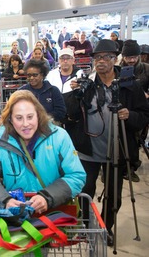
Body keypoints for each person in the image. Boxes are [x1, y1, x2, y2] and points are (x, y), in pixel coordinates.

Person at [67, 39, 149, 246]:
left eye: (106, 57)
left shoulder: (129, 85)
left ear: (115, 58)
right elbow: (72, 116)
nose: (101, 61)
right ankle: (86, 227)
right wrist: (73, 95)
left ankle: (106, 227)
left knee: (113, 195)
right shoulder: (86, 84)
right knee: (85, 191)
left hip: (117, 150)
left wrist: (129, 115)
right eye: (97, 57)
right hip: (88, 150)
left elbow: (144, 116)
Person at [0, 90, 86, 215]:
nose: (26, 124)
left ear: (38, 115)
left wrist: (47, 197)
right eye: (19, 118)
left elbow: (76, 175)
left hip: (55, 214)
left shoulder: (59, 137)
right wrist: (5, 200)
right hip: (17, 216)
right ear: (10, 119)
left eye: (30, 117)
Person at [119, 40, 149, 182]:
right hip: (123, 108)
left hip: (140, 109)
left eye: (134, 57)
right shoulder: (118, 70)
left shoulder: (146, 69)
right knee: (124, 139)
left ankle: (132, 166)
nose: (131, 60)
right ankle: (123, 167)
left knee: (137, 139)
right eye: (128, 58)